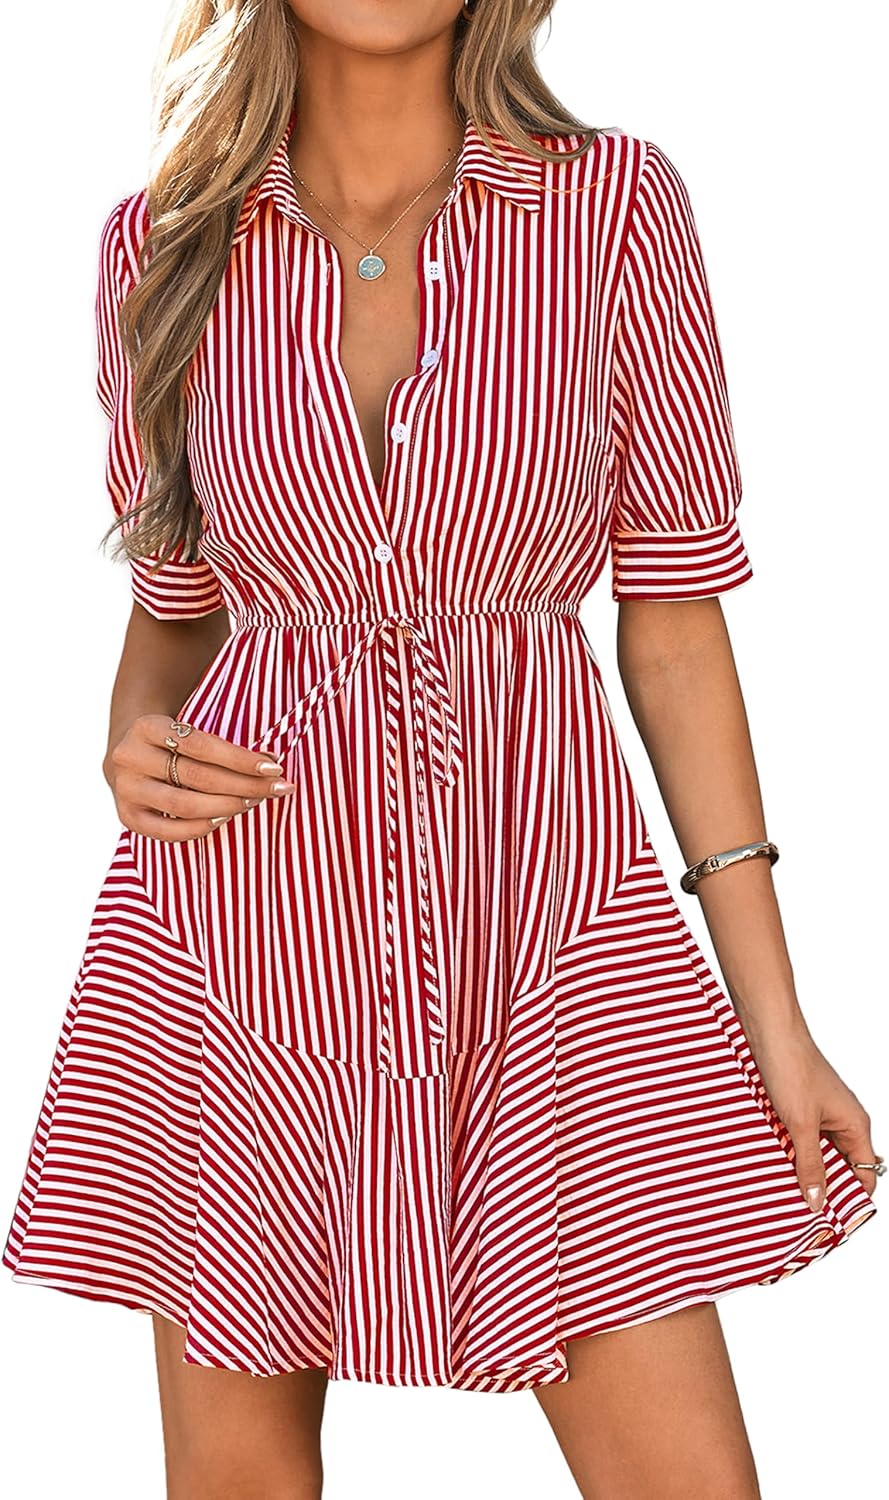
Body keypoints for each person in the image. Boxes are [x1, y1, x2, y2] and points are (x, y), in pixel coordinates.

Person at [3, 2, 882, 1496]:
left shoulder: (611, 205)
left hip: (544, 918)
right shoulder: (160, 245)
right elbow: (174, 620)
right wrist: (125, 747)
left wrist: (773, 1019)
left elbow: (674, 621)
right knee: (235, 1479)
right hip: (248, 923)